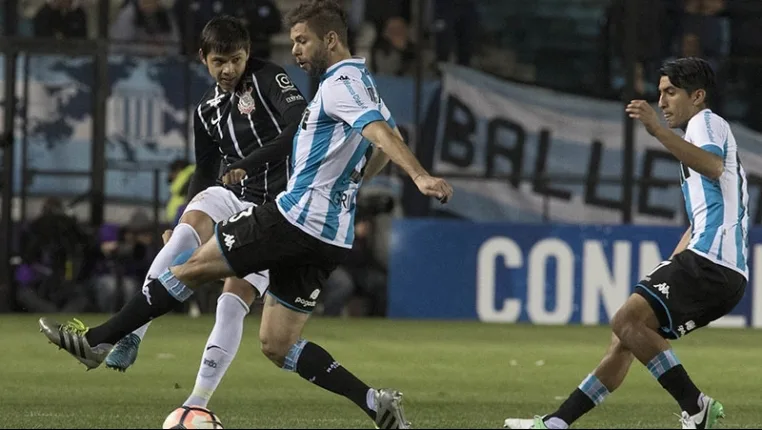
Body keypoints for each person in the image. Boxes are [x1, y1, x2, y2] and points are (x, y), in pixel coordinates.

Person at [40, 1, 453, 428]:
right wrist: (350, 182)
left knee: (190, 268)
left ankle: (97, 341)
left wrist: (420, 177)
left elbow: (382, 134)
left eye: (302, 40)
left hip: (291, 218)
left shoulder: (337, 83)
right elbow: (390, 135)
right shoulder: (364, 83)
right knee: (277, 344)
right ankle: (374, 402)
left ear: (330, 39)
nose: (295, 51)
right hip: (329, 238)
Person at [75, 15, 305, 410]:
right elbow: (204, 168)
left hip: (276, 210)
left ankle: (197, 401)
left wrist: (249, 163)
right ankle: (133, 334)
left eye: (236, 59)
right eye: (219, 61)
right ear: (203, 59)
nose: (229, 69)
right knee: (186, 231)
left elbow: (299, 123)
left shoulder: (269, 79)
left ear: (248, 54)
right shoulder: (207, 110)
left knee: (233, 299)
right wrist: (178, 219)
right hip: (233, 195)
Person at [504, 57, 747, 430]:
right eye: (659, 93)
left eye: (670, 93)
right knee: (627, 337)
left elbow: (712, 166)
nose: (661, 102)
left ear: (698, 96)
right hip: (717, 267)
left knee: (626, 320)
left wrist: (655, 131)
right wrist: (670, 266)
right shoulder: (696, 136)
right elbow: (702, 217)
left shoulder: (706, 122)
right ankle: (556, 423)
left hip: (711, 261)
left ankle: (695, 405)